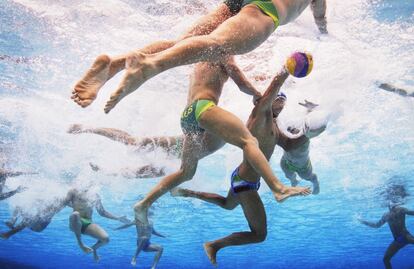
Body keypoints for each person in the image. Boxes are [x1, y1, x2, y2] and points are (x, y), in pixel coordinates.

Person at [132, 56, 310, 228]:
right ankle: (278, 187)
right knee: (248, 141)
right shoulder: (223, 50)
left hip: (187, 117)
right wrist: (257, 93)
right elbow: (241, 83)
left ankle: (144, 204)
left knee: (186, 172)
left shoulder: (198, 58)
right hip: (203, 106)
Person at [71, 0, 328, 111]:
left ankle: (113, 65)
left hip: (236, 1)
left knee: (185, 43)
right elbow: (320, 18)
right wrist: (324, 33)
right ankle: (149, 66)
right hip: (268, 8)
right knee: (217, 45)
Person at [171, 65, 311, 265]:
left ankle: (189, 193)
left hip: (243, 179)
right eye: (277, 101)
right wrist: (286, 69)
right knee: (259, 234)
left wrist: (312, 127)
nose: (280, 105)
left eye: (282, 103)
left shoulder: (273, 126)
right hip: (245, 182)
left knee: (228, 205)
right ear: (270, 101)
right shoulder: (260, 114)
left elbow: (290, 144)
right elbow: (271, 91)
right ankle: (214, 245)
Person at [66, 187, 130, 262]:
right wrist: (73, 205)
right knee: (75, 214)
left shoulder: (95, 195)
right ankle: (81, 245)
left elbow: (102, 212)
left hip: (88, 222)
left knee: (106, 239)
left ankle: (93, 249)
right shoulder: (73, 191)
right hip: (75, 221)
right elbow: (64, 202)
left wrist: (118, 218)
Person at [277, 99, 327, 194]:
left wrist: (311, 110)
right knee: (288, 174)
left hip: (303, 167)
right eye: (290, 130)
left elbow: (310, 123)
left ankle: (316, 183)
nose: (291, 131)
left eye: (294, 130)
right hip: (286, 162)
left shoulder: (304, 137)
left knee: (309, 177)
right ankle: (293, 180)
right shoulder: (286, 135)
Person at [359, 203, 414, 269]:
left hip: (406, 236)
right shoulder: (386, 215)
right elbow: (376, 225)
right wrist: (364, 222)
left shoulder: (401, 209)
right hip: (398, 240)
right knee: (385, 259)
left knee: (386, 259)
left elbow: (411, 212)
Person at [1, 200, 66, 239]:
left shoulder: (53, 210)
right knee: (19, 207)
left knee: (26, 221)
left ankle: (7, 234)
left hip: (38, 227)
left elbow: (62, 205)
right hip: (35, 222)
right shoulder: (47, 206)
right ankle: (12, 221)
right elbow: (38, 204)